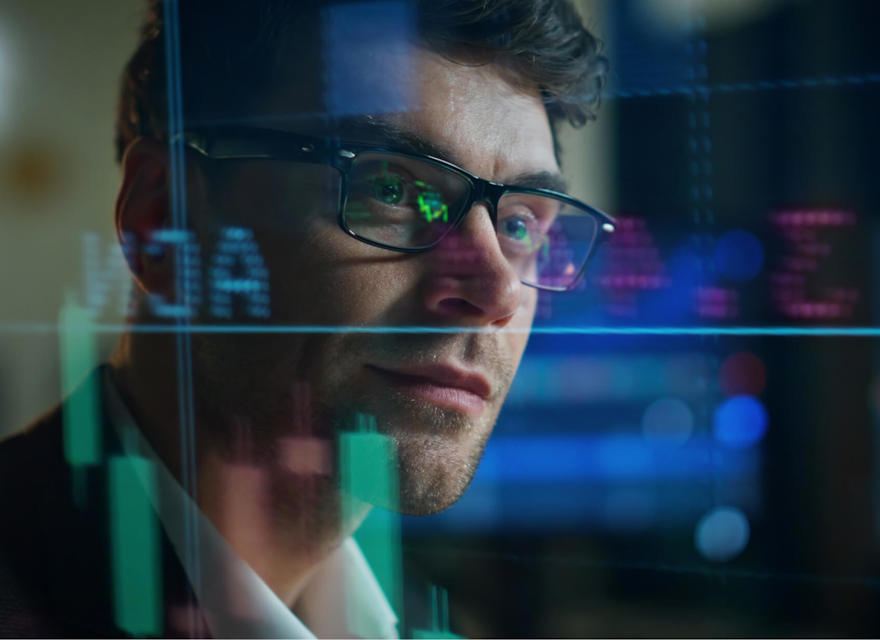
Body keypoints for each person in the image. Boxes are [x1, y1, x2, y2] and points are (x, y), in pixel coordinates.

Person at [0, 0, 610, 636]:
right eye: (390, 189)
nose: (497, 292)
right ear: (164, 219)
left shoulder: (424, 618)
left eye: (518, 224)